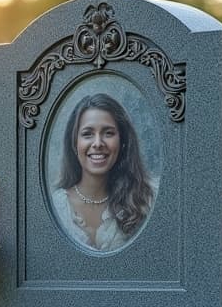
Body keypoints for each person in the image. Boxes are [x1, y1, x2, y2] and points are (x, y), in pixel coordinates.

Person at [52, 93, 155, 251]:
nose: (98, 143)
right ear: (74, 144)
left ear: (123, 142)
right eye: (87, 134)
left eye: (108, 133)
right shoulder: (55, 208)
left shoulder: (146, 200)